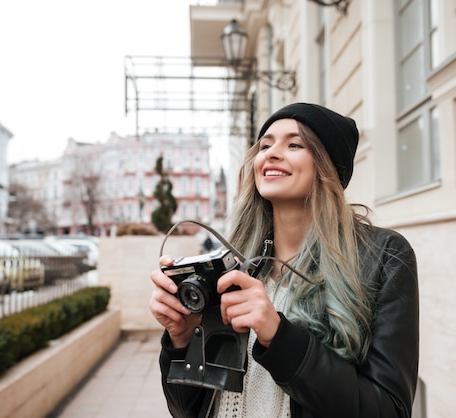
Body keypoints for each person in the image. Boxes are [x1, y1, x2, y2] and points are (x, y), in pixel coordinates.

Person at [149, 102, 419, 418]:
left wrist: (279, 337)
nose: (271, 153)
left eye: (294, 144)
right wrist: (181, 340)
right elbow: (187, 410)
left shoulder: (383, 256)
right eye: (265, 145)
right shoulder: (235, 266)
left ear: (328, 166)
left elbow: (390, 410)